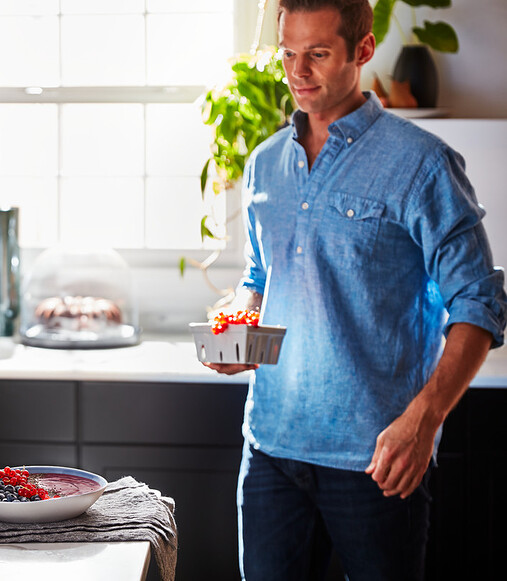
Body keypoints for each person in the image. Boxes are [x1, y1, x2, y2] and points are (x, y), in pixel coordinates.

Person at [203, 0, 507, 579]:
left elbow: (479, 303)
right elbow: (260, 279)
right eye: (289, 54)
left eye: (318, 54)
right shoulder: (265, 165)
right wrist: (238, 326)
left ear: (362, 52)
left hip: (378, 461)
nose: (299, 71)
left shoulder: (422, 164)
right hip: (271, 450)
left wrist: (425, 420)